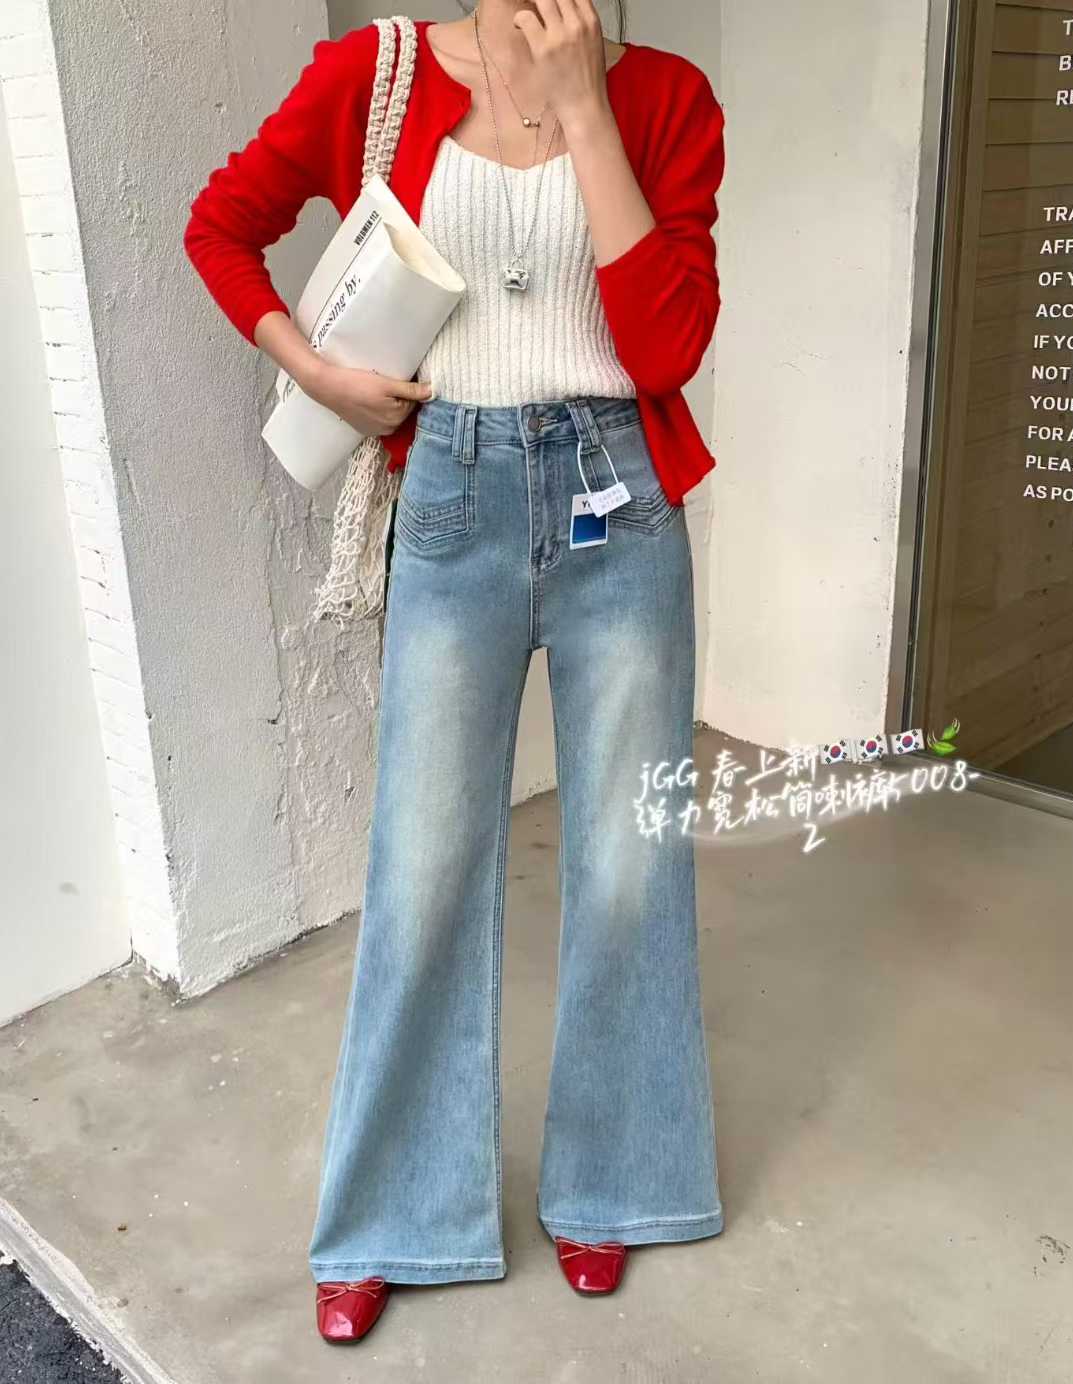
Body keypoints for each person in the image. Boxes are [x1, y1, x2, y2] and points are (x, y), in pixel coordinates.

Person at [183, 0, 727, 1346]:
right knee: (422, 867)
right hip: (453, 500)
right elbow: (222, 225)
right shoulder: (374, 71)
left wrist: (585, 107)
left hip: (620, 506)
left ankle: (615, 1181)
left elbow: (666, 349)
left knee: (628, 863)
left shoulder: (667, 98)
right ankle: (392, 1213)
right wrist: (313, 368)